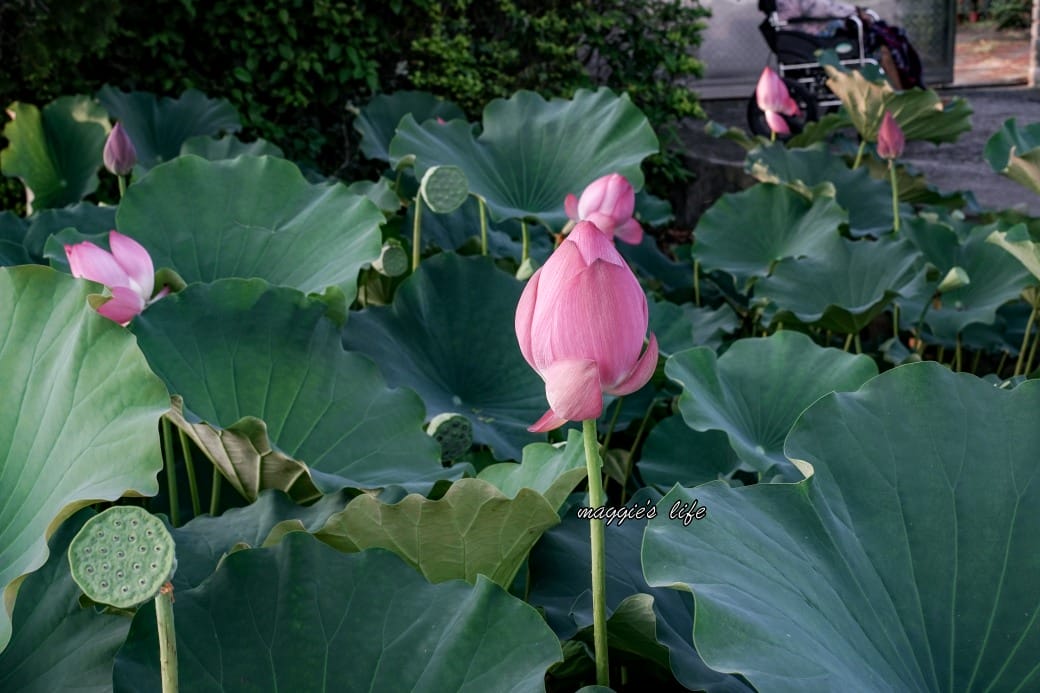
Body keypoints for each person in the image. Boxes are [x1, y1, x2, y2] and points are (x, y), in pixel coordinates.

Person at [775, 0, 924, 89]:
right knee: (884, 42)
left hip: (816, 29)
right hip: (812, 33)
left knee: (890, 38)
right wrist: (853, 11)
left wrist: (853, 11)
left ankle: (908, 89)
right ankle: (905, 92)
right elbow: (818, 8)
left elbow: (822, 6)